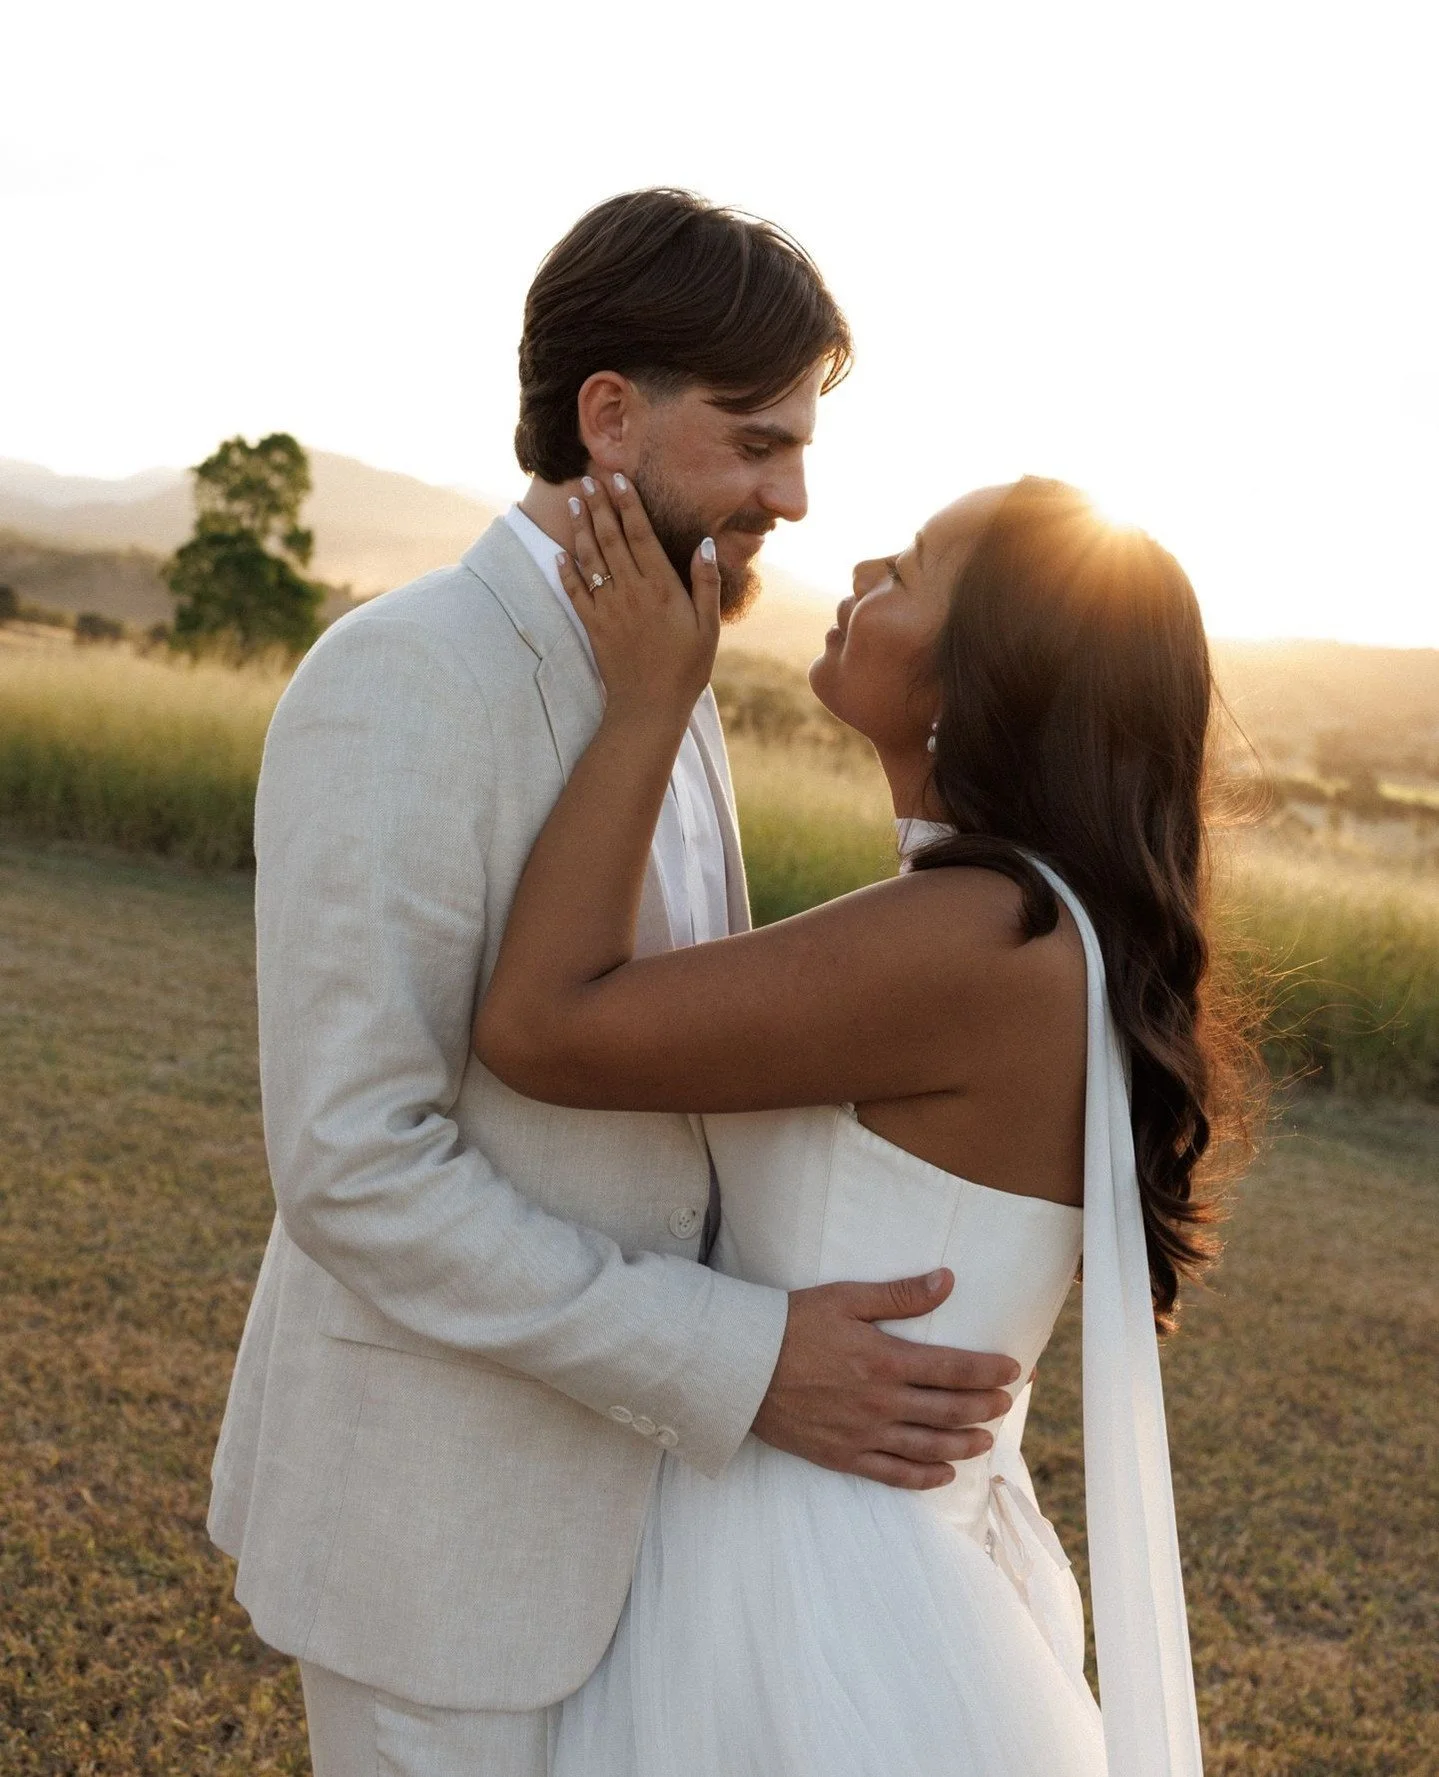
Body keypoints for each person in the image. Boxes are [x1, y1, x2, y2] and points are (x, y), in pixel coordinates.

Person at [207, 188, 1021, 1777]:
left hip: (651, 1546)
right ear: (610, 418)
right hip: (438, 1547)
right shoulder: (407, 676)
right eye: (757, 439)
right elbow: (353, 1168)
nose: (793, 492)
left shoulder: (669, 673)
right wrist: (742, 1356)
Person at [475, 472, 1260, 1775]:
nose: (854, 580)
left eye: (901, 570)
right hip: (822, 1544)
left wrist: (647, 705)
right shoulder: (1020, 923)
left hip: (813, 1599)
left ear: (986, 670)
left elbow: (541, 1029)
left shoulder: (981, 937)